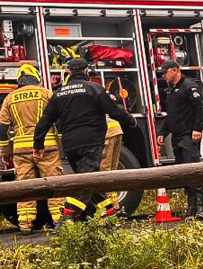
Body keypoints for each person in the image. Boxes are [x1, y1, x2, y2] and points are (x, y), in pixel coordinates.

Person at [33, 58, 136, 226]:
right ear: (87, 71)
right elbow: (114, 110)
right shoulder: (94, 89)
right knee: (85, 183)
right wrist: (130, 122)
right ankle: (65, 221)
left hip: (71, 146)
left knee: (91, 182)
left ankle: (110, 217)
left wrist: (38, 144)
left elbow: (44, 121)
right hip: (91, 143)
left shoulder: (59, 94)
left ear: (69, 72)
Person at [0, 63, 63, 234]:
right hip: (47, 148)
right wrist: (64, 143)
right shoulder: (46, 93)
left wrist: (5, 152)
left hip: (20, 152)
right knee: (54, 185)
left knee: (25, 188)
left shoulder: (10, 98)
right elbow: (59, 120)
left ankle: (25, 225)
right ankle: (60, 221)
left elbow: (2, 129)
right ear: (36, 78)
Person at [156, 59, 203, 220]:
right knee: (183, 173)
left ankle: (201, 207)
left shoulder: (189, 86)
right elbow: (172, 115)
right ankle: (191, 208)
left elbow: (202, 108)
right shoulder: (172, 90)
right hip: (177, 136)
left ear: (175, 70)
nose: (164, 76)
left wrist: (197, 129)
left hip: (188, 135)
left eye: (166, 72)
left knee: (192, 170)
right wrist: (163, 132)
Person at [97, 115, 124, 217]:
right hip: (117, 129)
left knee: (104, 172)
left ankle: (110, 209)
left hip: (107, 132)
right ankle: (115, 207)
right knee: (112, 171)